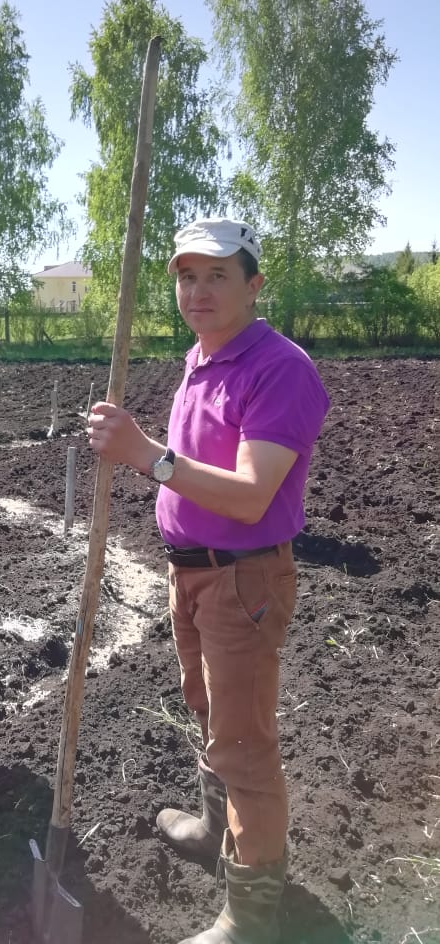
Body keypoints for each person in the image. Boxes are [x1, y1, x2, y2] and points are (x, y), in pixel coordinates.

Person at [87, 218, 330, 944]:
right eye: (187, 277)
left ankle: (250, 915)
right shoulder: (201, 358)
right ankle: (213, 826)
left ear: (254, 285)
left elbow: (252, 496)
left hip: (243, 581)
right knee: (207, 709)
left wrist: (147, 456)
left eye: (217, 275)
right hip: (191, 574)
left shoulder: (280, 368)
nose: (197, 291)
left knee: (245, 746)